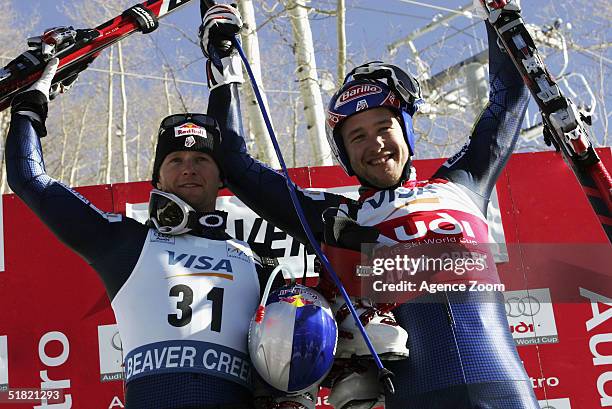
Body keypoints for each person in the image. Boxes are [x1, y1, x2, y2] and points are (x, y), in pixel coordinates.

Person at [200, 2, 540, 409]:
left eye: (384, 127)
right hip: (419, 397)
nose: (375, 143)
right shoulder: (337, 219)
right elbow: (235, 164)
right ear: (344, 154)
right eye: (357, 137)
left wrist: (500, 15)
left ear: (407, 132)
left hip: (504, 388)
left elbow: (511, 95)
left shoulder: (463, 185)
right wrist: (222, 59)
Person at [5, 52, 284, 408]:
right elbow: (29, 178)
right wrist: (28, 109)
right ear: (158, 178)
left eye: (202, 160)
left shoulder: (259, 262)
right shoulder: (126, 241)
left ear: (222, 177)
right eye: (176, 160)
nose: (189, 168)